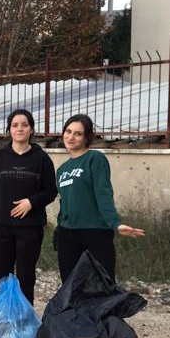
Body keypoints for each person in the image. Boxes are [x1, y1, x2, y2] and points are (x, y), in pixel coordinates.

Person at [0, 109, 58, 304]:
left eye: (24, 125)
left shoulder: (42, 159)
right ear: (9, 130)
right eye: (15, 125)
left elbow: (51, 191)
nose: (19, 128)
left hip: (30, 229)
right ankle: (3, 326)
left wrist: (31, 202)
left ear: (31, 129)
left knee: (26, 280)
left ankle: (24, 326)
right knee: (2, 280)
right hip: (0, 228)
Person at [54, 114, 144, 284]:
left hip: (94, 232)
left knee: (102, 286)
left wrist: (115, 223)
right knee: (71, 287)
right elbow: (65, 202)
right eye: (68, 131)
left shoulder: (94, 158)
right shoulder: (62, 170)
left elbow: (103, 194)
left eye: (78, 134)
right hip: (68, 235)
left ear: (87, 137)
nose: (71, 137)